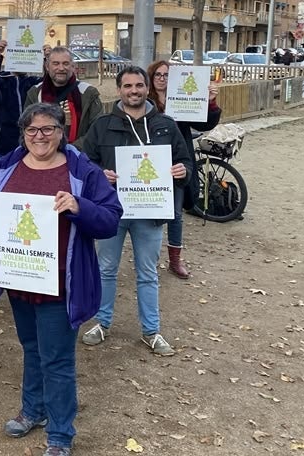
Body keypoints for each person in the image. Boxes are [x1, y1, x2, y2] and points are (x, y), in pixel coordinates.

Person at [0, 103, 122, 456]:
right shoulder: (7, 167)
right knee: (31, 348)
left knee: (56, 358)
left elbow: (111, 218)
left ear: (61, 130)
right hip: (18, 277)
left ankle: (59, 434)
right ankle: (34, 410)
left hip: (60, 282)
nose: (39, 136)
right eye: (32, 131)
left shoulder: (81, 170)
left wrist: (78, 206)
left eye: (48, 129)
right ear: (23, 134)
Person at [77, 66, 193, 356]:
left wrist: (182, 171)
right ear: (119, 90)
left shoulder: (165, 124)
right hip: (111, 211)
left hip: (149, 212)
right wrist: (99, 174)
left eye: (139, 85)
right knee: (105, 269)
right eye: (128, 86)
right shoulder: (103, 125)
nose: (134, 91)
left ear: (146, 88)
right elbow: (84, 162)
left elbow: (186, 162)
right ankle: (102, 322)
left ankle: (151, 330)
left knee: (147, 273)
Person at [147, 60, 222, 279]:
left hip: (178, 163)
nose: (162, 78)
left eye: (167, 74)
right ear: (151, 78)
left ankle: (175, 260)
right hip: (152, 164)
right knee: (150, 212)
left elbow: (203, 125)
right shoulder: (144, 101)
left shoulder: (182, 99)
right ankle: (148, 258)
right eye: (158, 74)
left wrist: (210, 102)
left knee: (176, 214)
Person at [22, 47, 103, 149]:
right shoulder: (35, 93)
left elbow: (97, 130)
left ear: (73, 67)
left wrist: (71, 149)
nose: (61, 68)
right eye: (56, 63)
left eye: (65, 64)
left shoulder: (88, 93)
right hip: (44, 156)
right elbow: (26, 127)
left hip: (79, 156)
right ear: (47, 66)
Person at [0, 40, 43, 170]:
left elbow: (51, 84)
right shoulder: (1, 80)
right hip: (3, 144)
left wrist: (47, 58)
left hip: (31, 144)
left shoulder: (33, 81)